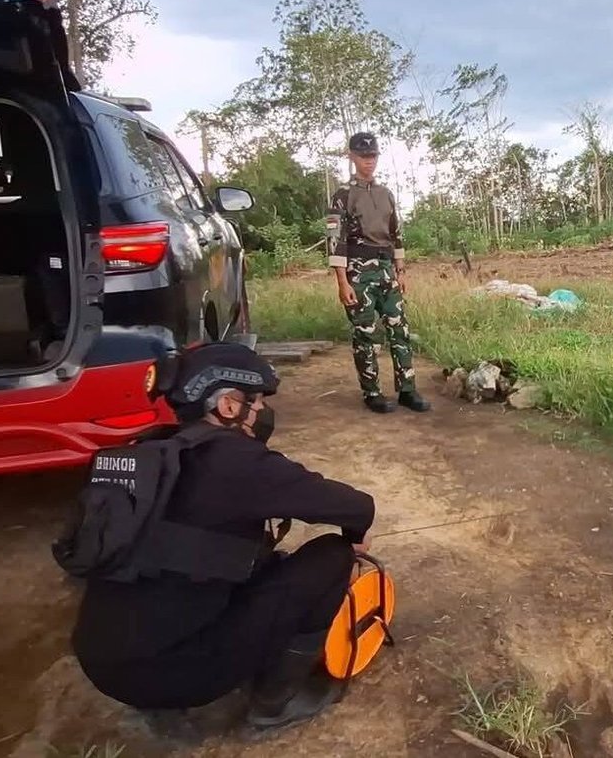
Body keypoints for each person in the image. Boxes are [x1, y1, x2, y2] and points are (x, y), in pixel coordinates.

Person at [66, 342, 377, 736]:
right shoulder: (237, 461)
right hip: (172, 674)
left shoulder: (147, 453)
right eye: (257, 401)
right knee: (331, 556)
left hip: (103, 663)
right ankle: (274, 704)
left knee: (240, 562)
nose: (262, 410)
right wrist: (353, 538)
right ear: (228, 406)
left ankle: (161, 695)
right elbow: (357, 507)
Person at [328, 132, 430, 414]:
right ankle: (372, 392)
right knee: (365, 334)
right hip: (358, 273)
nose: (368, 161)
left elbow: (396, 234)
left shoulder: (386, 194)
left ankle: (407, 390)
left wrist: (401, 270)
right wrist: (342, 282)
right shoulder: (342, 195)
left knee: (400, 330)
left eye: (372, 156)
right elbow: (335, 240)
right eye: (363, 156)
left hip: (387, 270)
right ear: (351, 157)